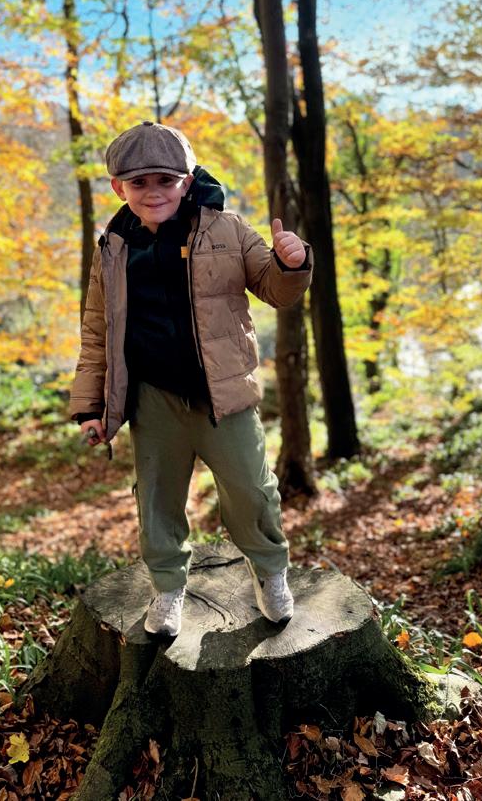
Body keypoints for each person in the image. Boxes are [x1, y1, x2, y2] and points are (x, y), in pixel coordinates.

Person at [69, 121, 313, 637]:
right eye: (139, 182)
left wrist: (291, 264)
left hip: (224, 394)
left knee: (252, 491)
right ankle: (166, 588)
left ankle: (270, 573)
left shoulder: (228, 229)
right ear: (118, 187)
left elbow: (274, 288)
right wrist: (91, 407)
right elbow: (96, 330)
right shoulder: (112, 247)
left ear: (186, 179)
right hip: (152, 398)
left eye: (165, 179)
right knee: (156, 500)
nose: (153, 191)